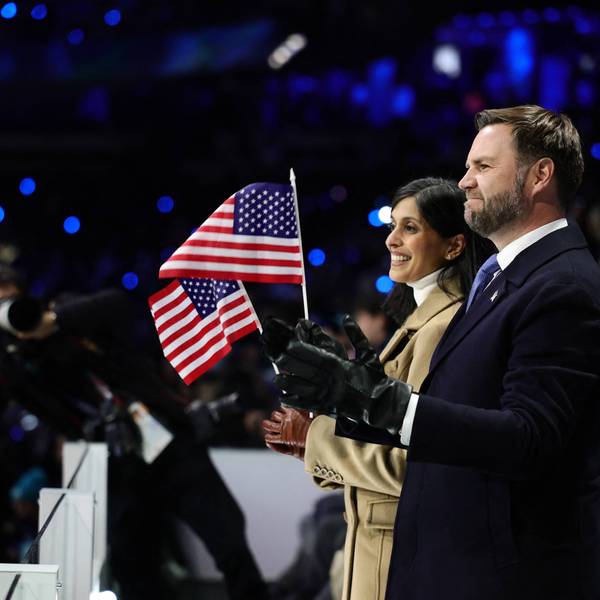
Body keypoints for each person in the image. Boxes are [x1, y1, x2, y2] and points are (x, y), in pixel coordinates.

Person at [266, 105, 600, 600]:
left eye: (483, 167)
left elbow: (529, 438)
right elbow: (454, 416)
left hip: (500, 579)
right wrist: (354, 401)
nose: (465, 181)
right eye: (469, 167)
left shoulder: (563, 286)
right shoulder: (502, 280)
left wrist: (379, 401)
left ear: (540, 176)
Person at [262, 178, 492, 599]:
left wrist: (317, 438)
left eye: (410, 228)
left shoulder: (441, 328)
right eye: (393, 226)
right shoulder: (419, 321)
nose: (391, 240)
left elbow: (419, 466)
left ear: (454, 246)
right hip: (379, 550)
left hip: (397, 558)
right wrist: (314, 442)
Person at [0, 266, 269, 600]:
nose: (9, 310)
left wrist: (54, 322)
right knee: (135, 567)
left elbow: (117, 303)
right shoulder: (11, 360)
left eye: (10, 296)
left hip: (170, 442)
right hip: (112, 463)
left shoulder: (66, 311)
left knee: (228, 539)